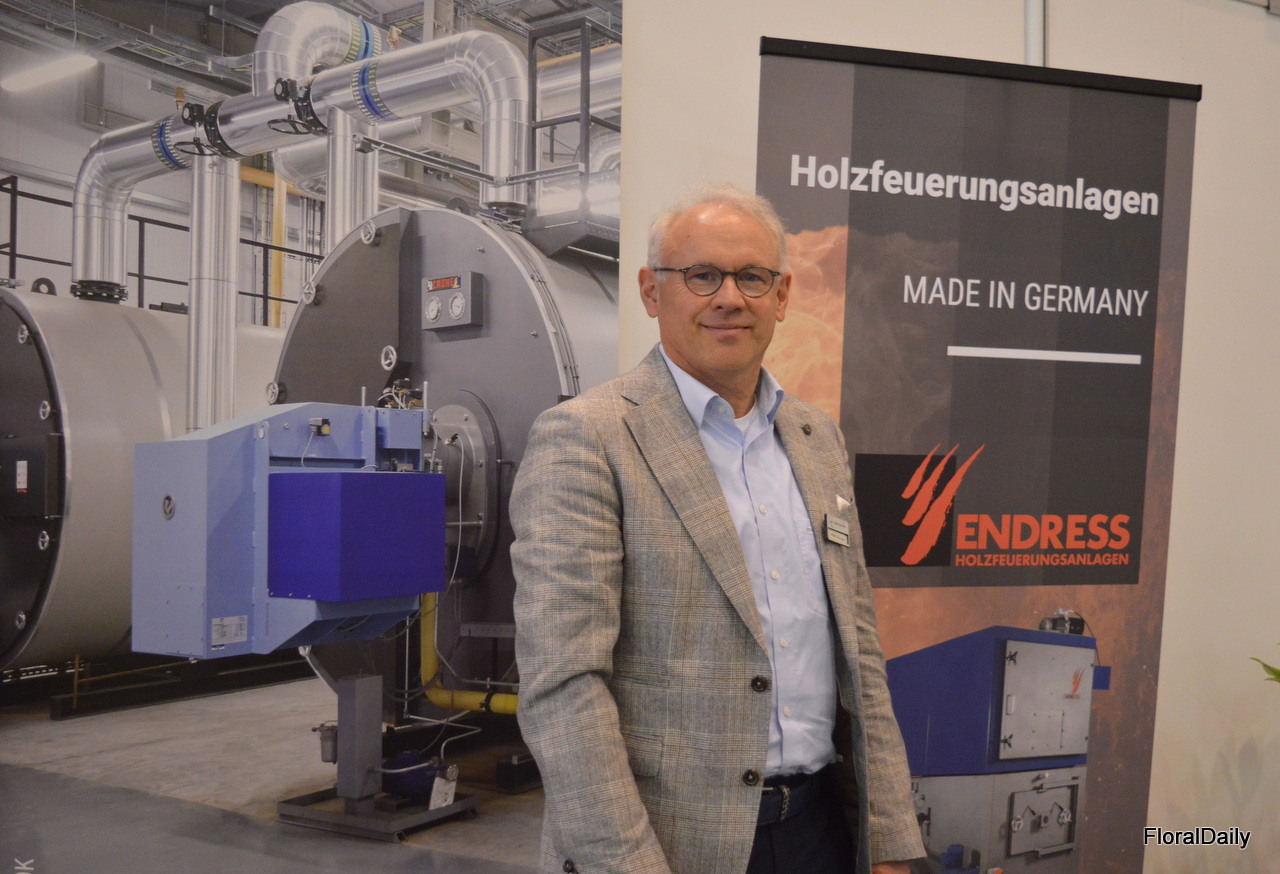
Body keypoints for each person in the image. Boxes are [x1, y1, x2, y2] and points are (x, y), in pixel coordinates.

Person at [511, 184, 924, 874]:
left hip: (822, 831)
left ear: (782, 296)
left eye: (752, 277)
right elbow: (564, 688)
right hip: (669, 847)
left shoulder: (817, 439)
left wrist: (890, 840)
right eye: (701, 275)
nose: (730, 298)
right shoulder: (586, 439)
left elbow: (861, 656)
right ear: (652, 291)